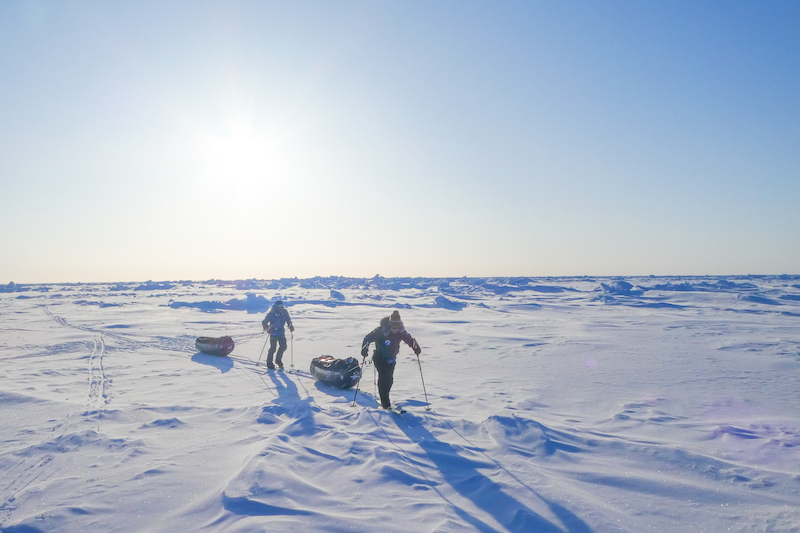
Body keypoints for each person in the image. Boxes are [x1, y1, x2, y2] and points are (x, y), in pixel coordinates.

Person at [361, 310, 421, 410]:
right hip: (379, 357)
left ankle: (385, 398)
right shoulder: (381, 330)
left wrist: (416, 348)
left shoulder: (401, 332)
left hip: (391, 359)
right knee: (384, 378)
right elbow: (368, 338)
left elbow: (409, 339)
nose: (395, 330)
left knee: (389, 380)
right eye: (393, 328)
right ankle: (385, 402)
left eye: (397, 328)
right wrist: (364, 349)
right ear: (389, 324)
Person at [261, 300, 294, 369]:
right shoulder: (271, 314)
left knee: (283, 346)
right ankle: (269, 363)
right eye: (279, 307)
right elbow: (264, 322)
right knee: (273, 349)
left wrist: (290, 325)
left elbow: (288, 319)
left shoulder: (284, 312)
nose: (280, 309)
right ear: (275, 307)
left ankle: (278, 360)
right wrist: (268, 329)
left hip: (281, 332)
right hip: (273, 333)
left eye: (282, 307)